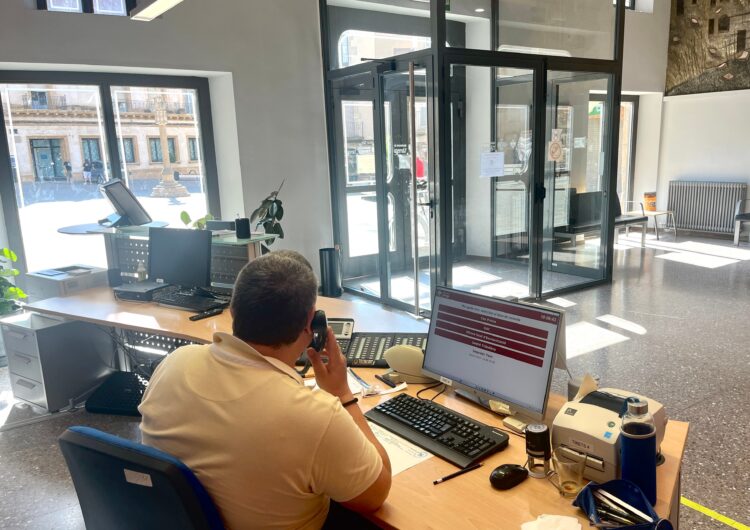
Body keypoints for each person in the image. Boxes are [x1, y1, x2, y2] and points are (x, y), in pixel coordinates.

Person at [139, 251, 392, 529]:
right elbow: (375, 494)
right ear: (311, 322)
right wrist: (342, 394)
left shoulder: (174, 363)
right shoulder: (314, 415)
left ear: (233, 310)